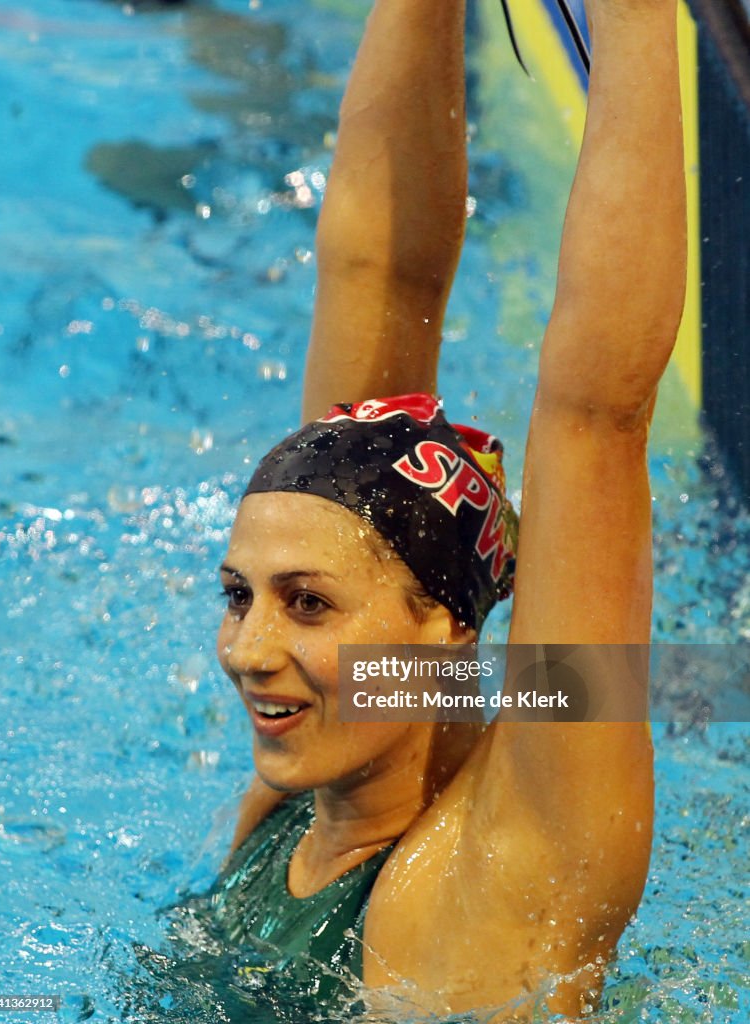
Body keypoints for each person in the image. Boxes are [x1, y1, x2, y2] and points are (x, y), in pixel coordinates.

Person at [211, 0, 687, 1018]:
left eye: (305, 604)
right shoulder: (296, 800)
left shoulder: (493, 881)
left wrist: (639, 22)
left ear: (443, 625)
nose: (247, 648)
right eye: (237, 594)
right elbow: (380, 273)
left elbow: (597, 416)